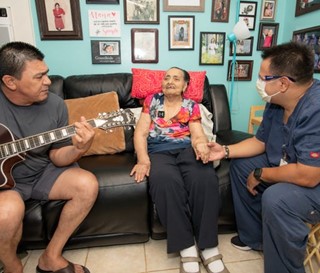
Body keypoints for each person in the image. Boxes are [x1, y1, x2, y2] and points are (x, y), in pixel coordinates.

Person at [207, 42, 320, 273]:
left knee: (277, 199)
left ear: (283, 83)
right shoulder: (278, 101)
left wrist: (262, 174)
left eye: (262, 78)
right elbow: (261, 142)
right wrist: (224, 150)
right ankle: (255, 237)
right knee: (240, 165)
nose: (258, 83)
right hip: (291, 165)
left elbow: (308, 175)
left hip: (313, 179)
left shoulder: (315, 109)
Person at [0, 41, 99, 273]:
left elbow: (57, 156)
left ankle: (50, 257)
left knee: (87, 185)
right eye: (38, 77)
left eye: (47, 74)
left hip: (43, 170)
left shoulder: (55, 104)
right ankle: (13, 266)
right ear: (10, 82)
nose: (48, 81)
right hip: (7, 186)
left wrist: (79, 148)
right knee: (6, 214)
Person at [130, 67, 229, 273]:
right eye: (166, 78)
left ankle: (208, 246)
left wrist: (201, 145)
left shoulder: (191, 105)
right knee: (165, 182)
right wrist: (143, 159)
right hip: (159, 151)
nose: (170, 81)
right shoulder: (152, 101)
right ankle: (186, 246)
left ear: (185, 86)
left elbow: (197, 133)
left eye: (176, 78)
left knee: (205, 178)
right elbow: (140, 134)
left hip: (186, 149)